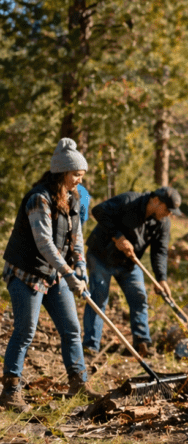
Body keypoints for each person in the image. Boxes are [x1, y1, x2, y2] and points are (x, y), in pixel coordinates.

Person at [1, 139, 99, 411]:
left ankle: (78, 383)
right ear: (62, 172)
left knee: (71, 328)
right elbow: (44, 242)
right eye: (76, 174)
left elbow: (76, 237)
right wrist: (68, 273)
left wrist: (80, 266)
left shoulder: (73, 198)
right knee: (25, 330)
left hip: (55, 274)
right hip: (27, 273)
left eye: (81, 175)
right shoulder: (39, 199)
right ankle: (10, 391)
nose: (79, 180)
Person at [82, 186, 182, 357]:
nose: (168, 215)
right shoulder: (129, 200)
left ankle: (142, 342)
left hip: (128, 262)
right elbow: (99, 210)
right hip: (101, 256)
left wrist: (161, 278)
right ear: (156, 200)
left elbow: (159, 251)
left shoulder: (163, 223)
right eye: (167, 210)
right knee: (99, 298)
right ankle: (90, 346)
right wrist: (117, 236)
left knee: (139, 297)